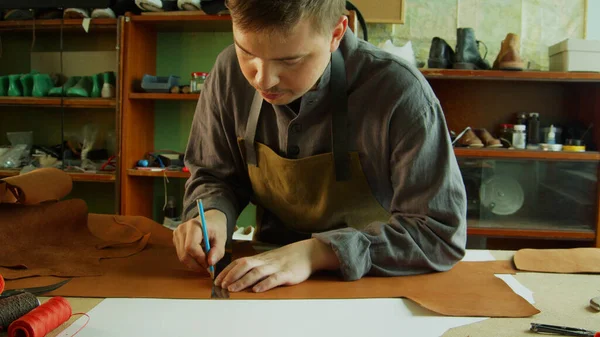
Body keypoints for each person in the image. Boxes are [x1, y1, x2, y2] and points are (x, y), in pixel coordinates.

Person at [173, 0, 467, 293]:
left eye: (289, 61)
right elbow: (214, 177)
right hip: (264, 277)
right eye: (247, 52)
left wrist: (316, 253)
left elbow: (437, 233)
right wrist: (212, 215)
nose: (263, 79)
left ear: (336, 33)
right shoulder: (227, 74)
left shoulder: (400, 93)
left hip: (371, 281)